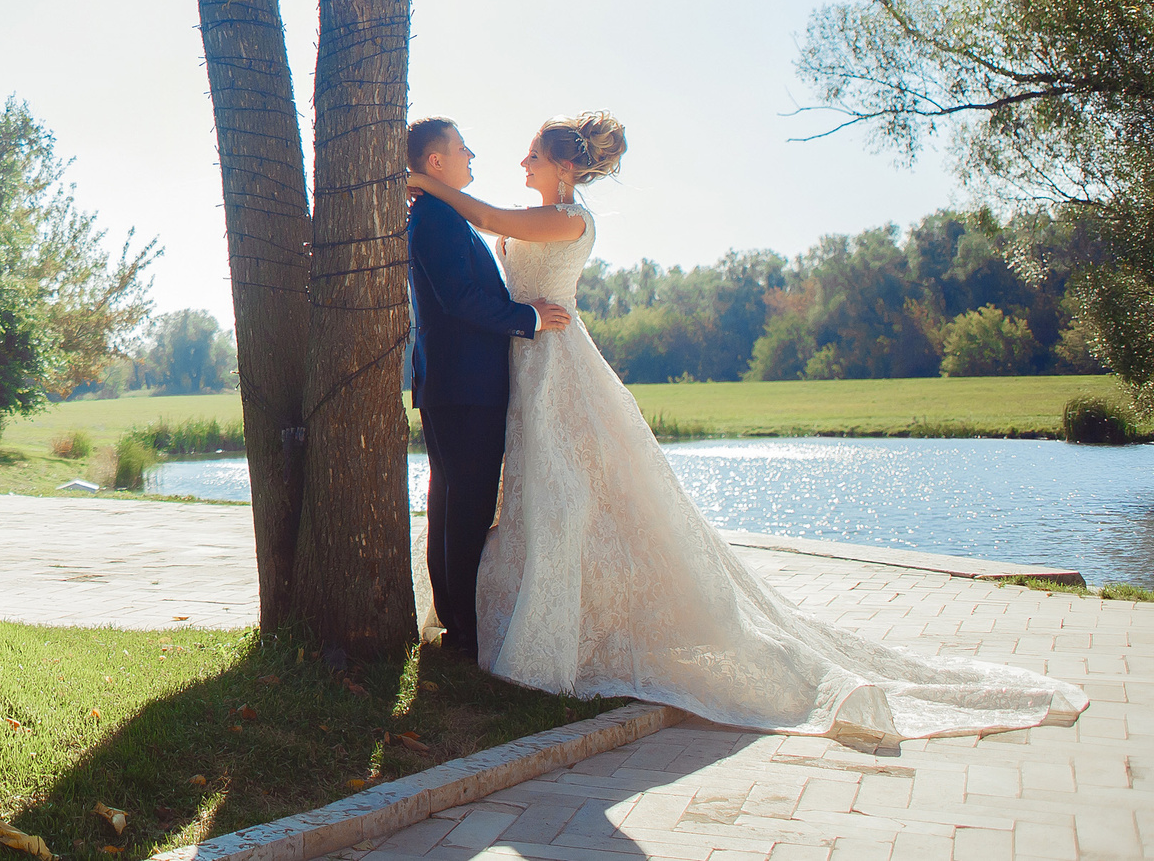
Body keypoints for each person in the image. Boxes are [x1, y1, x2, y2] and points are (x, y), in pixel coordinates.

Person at [407, 109, 1084, 741]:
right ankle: (509, 622)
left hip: (554, 359)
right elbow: (494, 244)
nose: (516, 159)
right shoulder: (530, 216)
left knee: (569, 494)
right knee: (534, 497)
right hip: (524, 367)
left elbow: (493, 215)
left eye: (530, 154)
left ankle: (546, 630)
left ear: (560, 167)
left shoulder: (564, 220)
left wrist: (424, 186)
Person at [406, 115, 571, 664]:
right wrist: (529, 317)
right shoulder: (435, 217)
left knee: (454, 502)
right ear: (436, 162)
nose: (471, 155)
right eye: (461, 148)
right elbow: (459, 299)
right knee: (464, 505)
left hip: (455, 381)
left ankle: (458, 625)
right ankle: (463, 633)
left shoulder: (442, 213)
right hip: (464, 383)